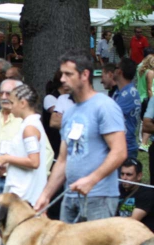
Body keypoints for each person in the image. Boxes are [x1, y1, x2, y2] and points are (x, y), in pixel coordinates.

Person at [34, 49, 127, 223]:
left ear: (85, 75)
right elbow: (62, 160)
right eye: (62, 74)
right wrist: (45, 195)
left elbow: (120, 152)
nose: (62, 79)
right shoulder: (69, 113)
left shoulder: (104, 106)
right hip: (69, 196)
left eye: (68, 74)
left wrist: (92, 180)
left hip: (99, 197)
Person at [0, 84, 50, 206]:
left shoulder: (30, 128)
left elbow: (34, 162)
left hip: (25, 196)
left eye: (12, 102)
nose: (10, 107)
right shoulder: (28, 125)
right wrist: (8, 167)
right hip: (23, 192)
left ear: (23, 103)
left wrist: (6, 158)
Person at [112, 58, 140, 159]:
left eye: (115, 68)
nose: (113, 71)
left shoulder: (129, 94)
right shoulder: (119, 92)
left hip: (126, 147)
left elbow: (109, 115)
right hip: (120, 145)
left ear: (119, 71)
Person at [117, 158, 154, 232]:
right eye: (122, 174)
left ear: (139, 176)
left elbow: (133, 221)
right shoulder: (117, 189)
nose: (124, 178)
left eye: (129, 175)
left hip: (141, 235)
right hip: (119, 232)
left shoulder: (148, 193)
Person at [137, 54, 154, 151]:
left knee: (144, 120)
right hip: (149, 98)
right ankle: (143, 143)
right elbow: (149, 89)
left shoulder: (141, 71)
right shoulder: (150, 72)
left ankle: (143, 142)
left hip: (141, 97)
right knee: (148, 121)